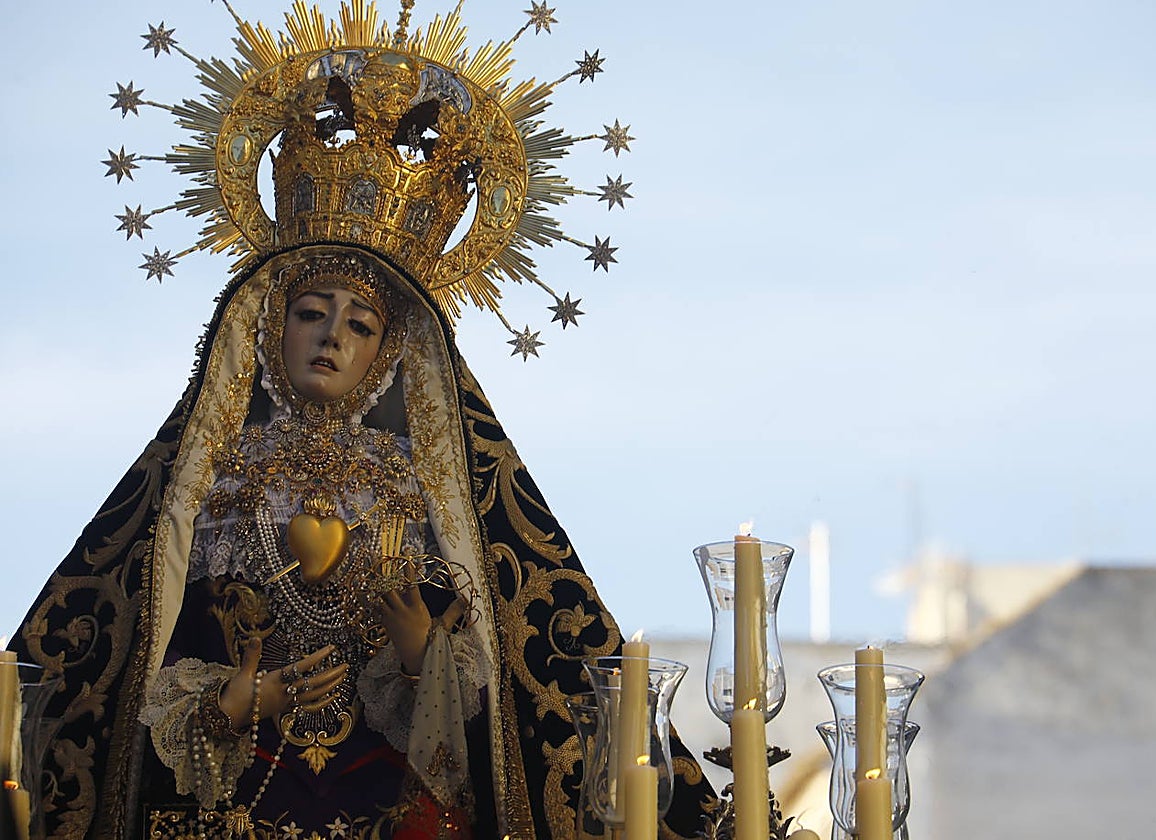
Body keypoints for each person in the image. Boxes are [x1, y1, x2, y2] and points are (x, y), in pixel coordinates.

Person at [8, 4, 718, 838]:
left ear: (389, 353)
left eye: (361, 324)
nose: (333, 337)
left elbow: (493, 711)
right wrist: (229, 701)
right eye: (313, 311)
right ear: (272, 324)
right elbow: (120, 663)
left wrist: (425, 657)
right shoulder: (202, 481)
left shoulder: (429, 496)